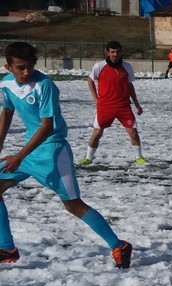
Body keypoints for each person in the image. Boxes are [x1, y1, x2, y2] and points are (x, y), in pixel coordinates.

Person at [0, 42, 132, 268]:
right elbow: (8, 112)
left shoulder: (45, 85)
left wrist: (19, 157)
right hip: (29, 151)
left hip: (53, 152)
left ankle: (119, 246)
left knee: (73, 205)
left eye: (30, 66)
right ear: (8, 67)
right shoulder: (6, 84)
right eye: (20, 67)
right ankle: (7, 248)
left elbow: (46, 126)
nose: (26, 72)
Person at [79, 41, 146, 166]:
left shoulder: (127, 67)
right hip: (105, 106)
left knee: (133, 132)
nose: (115, 54)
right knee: (97, 133)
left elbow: (130, 85)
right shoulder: (100, 66)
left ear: (121, 52)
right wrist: (96, 98)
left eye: (117, 52)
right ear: (108, 52)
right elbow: (90, 80)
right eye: (112, 52)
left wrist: (136, 103)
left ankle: (139, 157)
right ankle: (88, 157)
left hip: (123, 106)